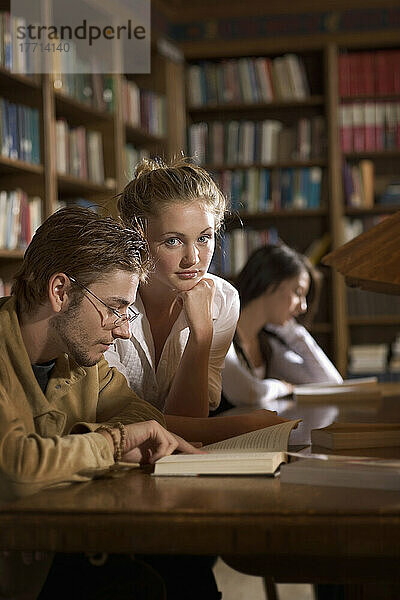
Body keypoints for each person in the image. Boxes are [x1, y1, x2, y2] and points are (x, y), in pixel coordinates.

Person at [0, 206, 208, 600]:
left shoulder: (80, 360)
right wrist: (114, 444)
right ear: (60, 291)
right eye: (114, 308)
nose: (125, 330)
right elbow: (16, 470)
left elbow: (143, 415)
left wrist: (87, 439)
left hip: (49, 552)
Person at [105, 157, 289, 442]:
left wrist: (201, 334)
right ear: (138, 235)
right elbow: (112, 421)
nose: (193, 259)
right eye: (173, 241)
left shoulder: (223, 300)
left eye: (204, 238)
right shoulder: (106, 299)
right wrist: (239, 427)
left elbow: (191, 421)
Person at [221, 244, 343, 410]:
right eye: (298, 293)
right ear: (271, 283)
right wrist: (282, 387)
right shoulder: (221, 331)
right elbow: (249, 392)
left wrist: (294, 333)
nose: (303, 307)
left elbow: (331, 384)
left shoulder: (267, 345)